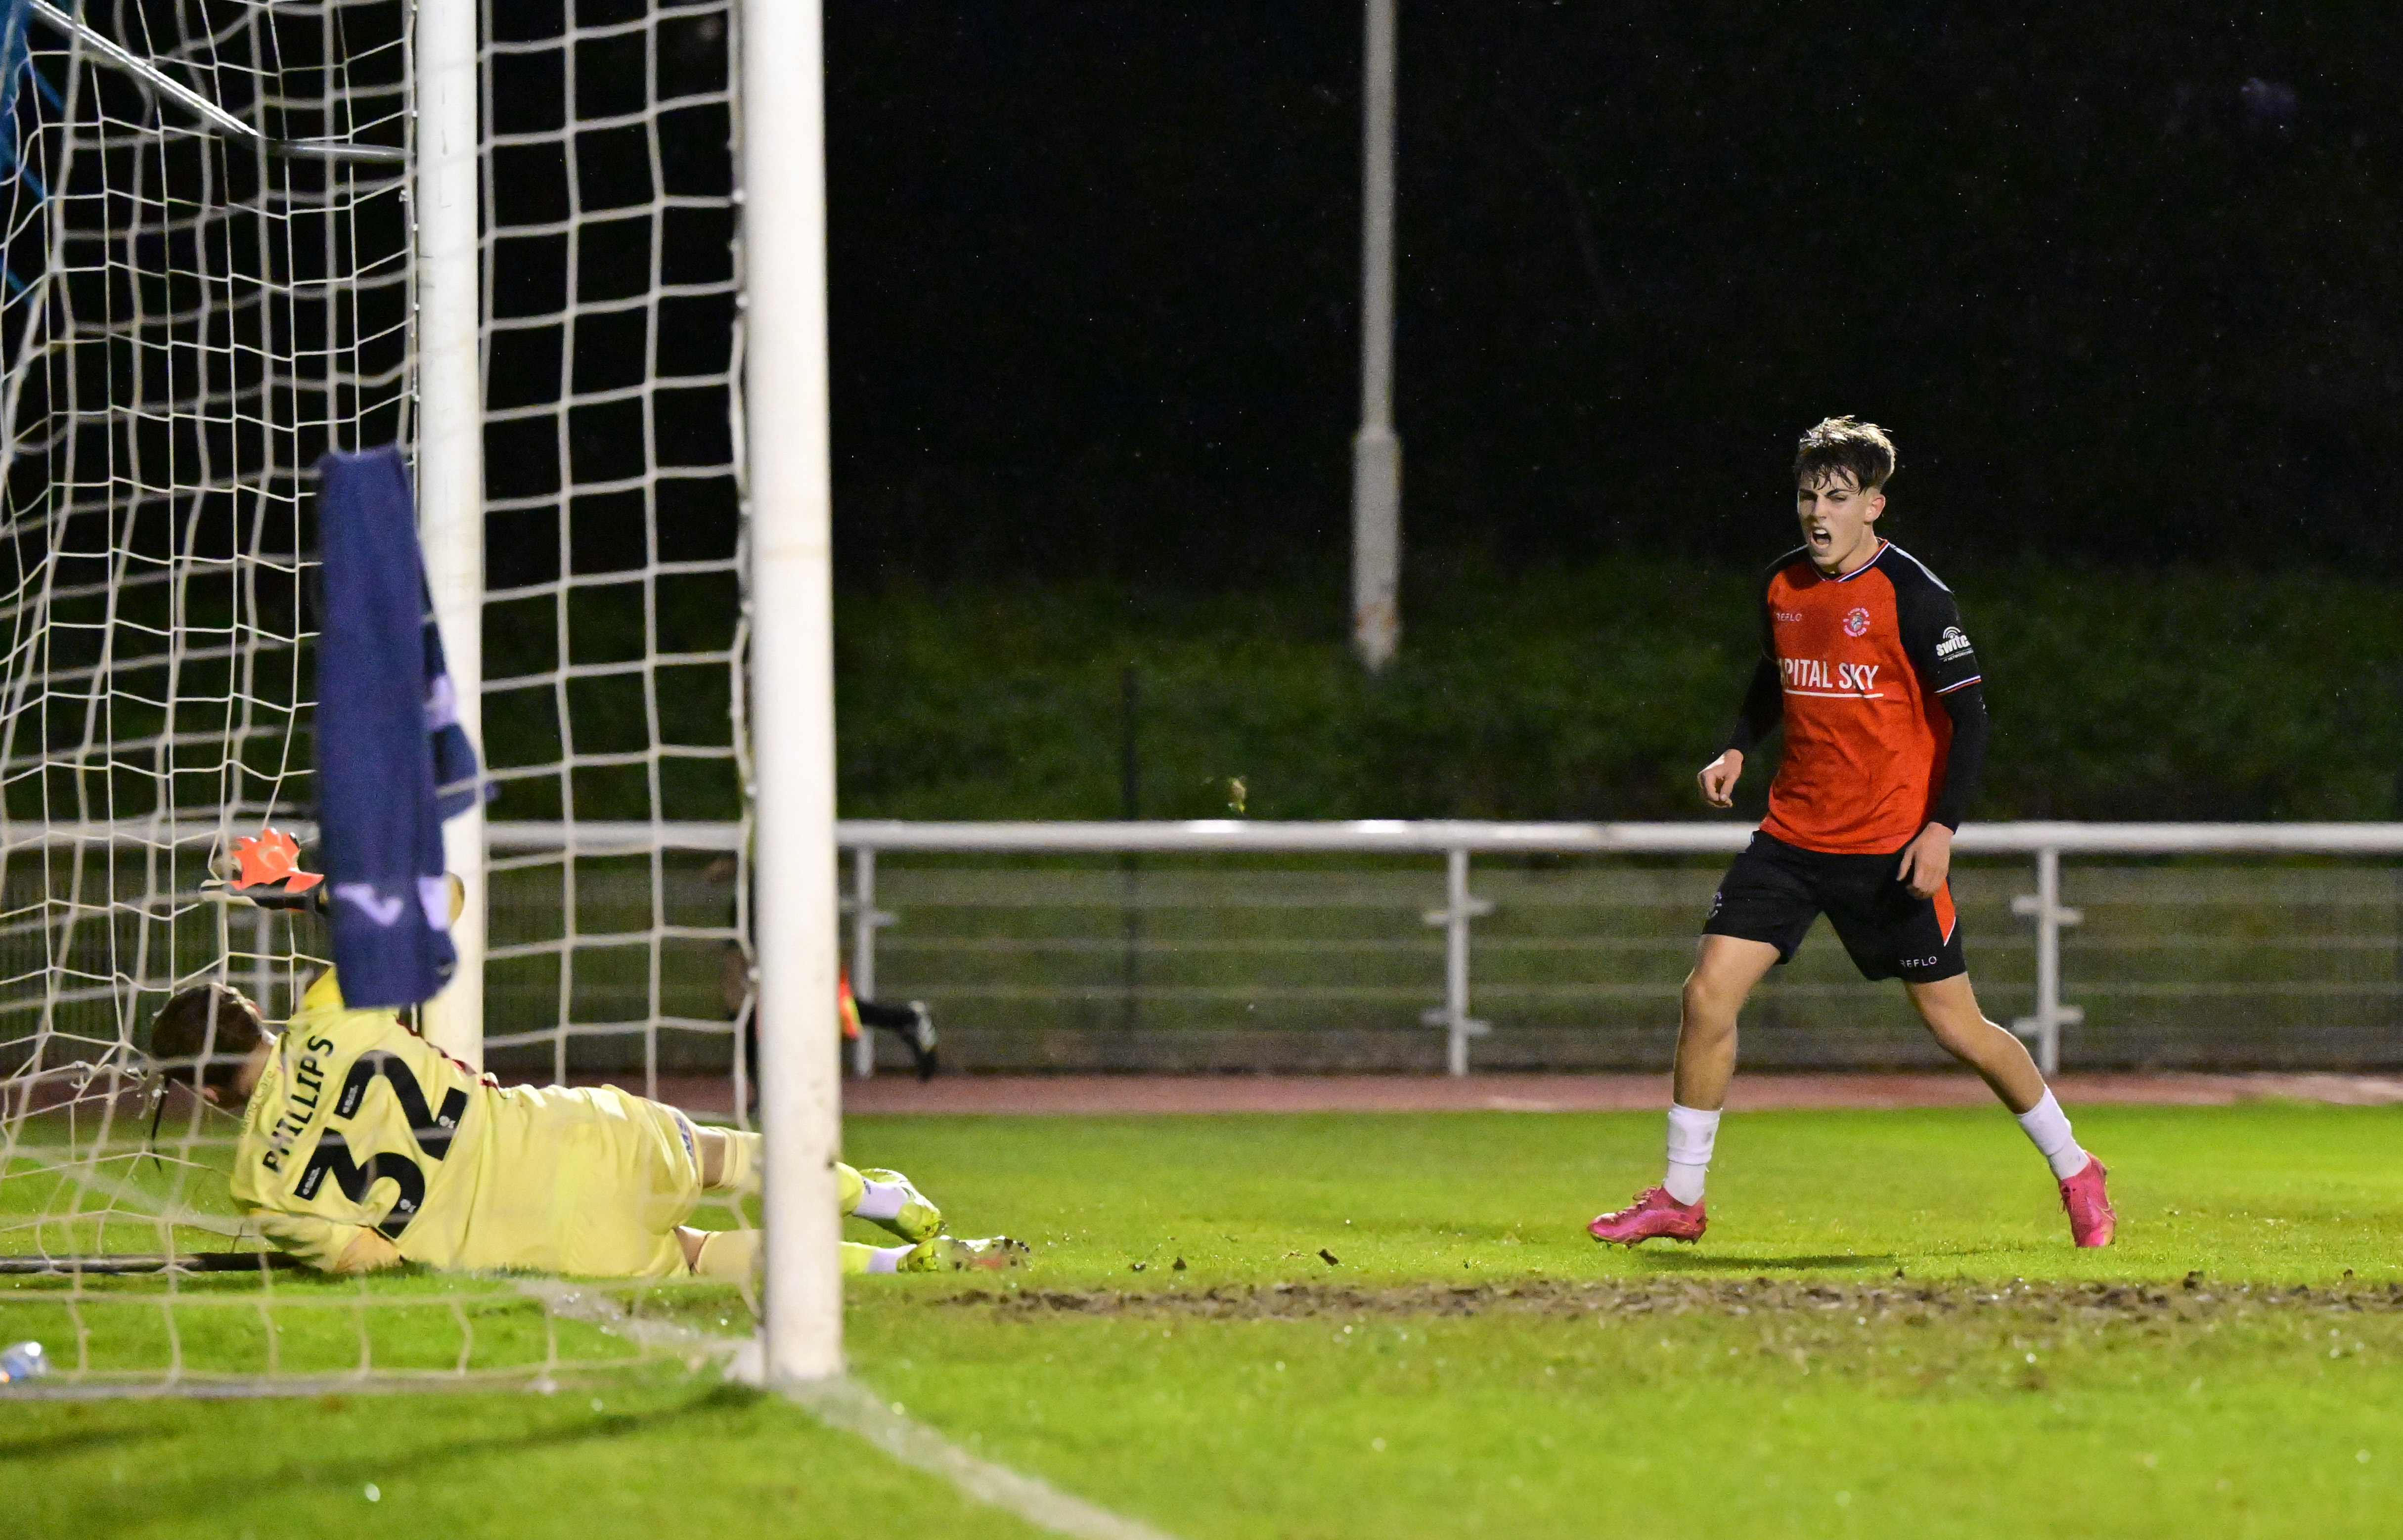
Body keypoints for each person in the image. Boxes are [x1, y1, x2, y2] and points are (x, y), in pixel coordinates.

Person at [1587, 417, 2115, 1250]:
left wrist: (1940, 829)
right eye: (1806, 497)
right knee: (1706, 995)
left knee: (1957, 1028)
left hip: (1890, 849)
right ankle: (1681, 1200)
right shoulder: (1783, 586)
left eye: (1836, 497)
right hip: (1791, 841)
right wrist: (1735, 744)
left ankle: (2077, 1166)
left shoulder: (1913, 595)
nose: (1817, 513)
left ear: (1874, 505)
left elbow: (1970, 718)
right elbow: (1773, 675)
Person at [150, 970, 1027, 1278]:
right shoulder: (328, 1009)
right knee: (726, 1160)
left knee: (697, 1256)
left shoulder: (257, 1185)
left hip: (534, 1239)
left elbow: (369, 1259)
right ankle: (877, 1197)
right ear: (257, 1017)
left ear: (208, 1095)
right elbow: (436, 905)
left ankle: (892, 1265)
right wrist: (309, 889)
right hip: (566, 1136)